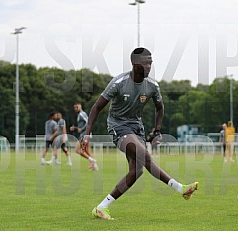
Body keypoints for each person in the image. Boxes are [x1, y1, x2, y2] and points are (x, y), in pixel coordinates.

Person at [82, 47, 199, 220]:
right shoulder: (118, 82)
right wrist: (87, 134)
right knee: (144, 155)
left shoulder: (152, 85)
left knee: (136, 171)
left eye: (151, 63)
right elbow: (96, 107)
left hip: (138, 128)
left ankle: (101, 207)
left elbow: (160, 108)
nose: (149, 66)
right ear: (135, 64)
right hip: (118, 127)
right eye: (146, 63)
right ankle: (181, 188)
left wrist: (156, 130)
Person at [70, 103, 98, 171]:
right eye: (74, 107)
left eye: (76, 107)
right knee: (87, 151)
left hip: (84, 134)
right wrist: (76, 128)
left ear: (80, 107)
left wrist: (82, 129)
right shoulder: (80, 114)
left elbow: (88, 122)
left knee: (77, 150)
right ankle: (94, 166)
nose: (75, 109)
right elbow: (83, 125)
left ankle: (92, 160)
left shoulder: (82, 114)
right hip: (85, 134)